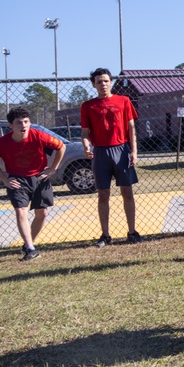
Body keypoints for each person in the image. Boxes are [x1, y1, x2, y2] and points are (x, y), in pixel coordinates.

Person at [0, 107, 65, 260]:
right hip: (17, 180)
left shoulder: (39, 136)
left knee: (42, 214)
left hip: (40, 177)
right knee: (20, 211)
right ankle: (30, 249)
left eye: (26, 122)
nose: (23, 126)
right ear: (10, 125)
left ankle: (28, 244)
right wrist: (4, 179)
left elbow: (61, 146)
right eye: (18, 123)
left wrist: (53, 168)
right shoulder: (2, 142)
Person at [81, 67, 142, 246]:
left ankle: (132, 231)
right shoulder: (88, 106)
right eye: (99, 82)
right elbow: (85, 132)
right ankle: (105, 235)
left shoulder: (123, 101)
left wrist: (134, 151)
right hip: (100, 152)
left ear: (111, 82)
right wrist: (86, 147)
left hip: (121, 150)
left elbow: (131, 128)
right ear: (94, 85)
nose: (103, 84)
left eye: (106, 81)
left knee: (127, 192)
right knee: (103, 194)